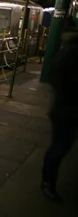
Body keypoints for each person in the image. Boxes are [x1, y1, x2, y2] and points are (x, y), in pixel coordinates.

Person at [41, 22, 78, 203]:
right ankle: (48, 182)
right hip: (67, 109)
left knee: (61, 145)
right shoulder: (71, 55)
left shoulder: (65, 51)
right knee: (60, 146)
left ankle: (47, 181)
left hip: (64, 108)